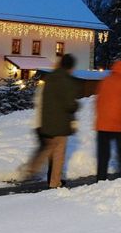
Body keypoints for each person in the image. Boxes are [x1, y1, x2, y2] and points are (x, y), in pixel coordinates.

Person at [20, 54, 80, 188]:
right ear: (70, 67)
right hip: (61, 123)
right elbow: (69, 104)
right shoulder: (67, 80)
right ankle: (53, 181)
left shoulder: (49, 78)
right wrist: (76, 105)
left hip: (47, 121)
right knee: (58, 154)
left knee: (49, 148)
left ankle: (33, 168)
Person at [94, 59, 121, 180]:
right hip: (117, 125)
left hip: (102, 124)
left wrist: (100, 117)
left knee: (103, 154)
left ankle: (101, 178)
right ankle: (120, 175)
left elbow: (98, 101)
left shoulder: (105, 80)